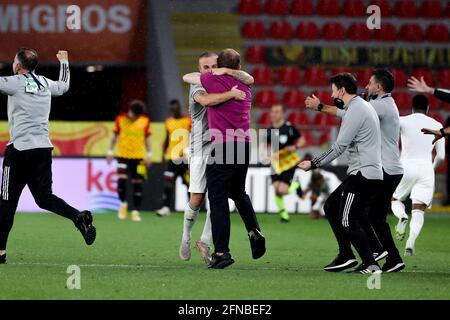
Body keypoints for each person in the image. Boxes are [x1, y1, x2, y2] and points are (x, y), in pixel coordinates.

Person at [0, 48, 96, 264]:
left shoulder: (15, 82)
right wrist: (64, 62)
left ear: (17, 66)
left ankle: (1, 253)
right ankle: (77, 216)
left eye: (14, 61)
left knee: (6, 202)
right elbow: (64, 86)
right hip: (43, 149)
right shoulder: (45, 83)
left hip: (19, 151)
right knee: (44, 198)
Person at [305, 69, 405, 272]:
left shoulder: (375, 106)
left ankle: (371, 255)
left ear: (379, 86)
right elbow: (348, 113)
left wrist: (321, 107)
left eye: (370, 83)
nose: (366, 87)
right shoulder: (380, 105)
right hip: (382, 167)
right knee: (362, 213)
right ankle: (384, 255)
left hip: (377, 168)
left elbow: (346, 116)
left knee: (353, 214)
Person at [180, 52, 254, 263]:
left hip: (220, 145)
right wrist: (231, 94)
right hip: (199, 147)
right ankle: (186, 236)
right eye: (206, 67)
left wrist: (229, 73)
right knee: (197, 198)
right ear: (200, 68)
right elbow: (207, 101)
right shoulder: (200, 86)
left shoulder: (222, 79)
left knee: (219, 196)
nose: (210, 70)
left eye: (214, 66)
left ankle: (205, 240)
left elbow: (249, 79)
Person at [201, 49, 266, 269]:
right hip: (244, 145)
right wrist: (230, 70)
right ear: (239, 66)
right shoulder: (245, 85)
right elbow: (248, 77)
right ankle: (254, 231)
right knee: (238, 192)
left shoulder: (210, 79)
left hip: (223, 146)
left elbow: (189, 77)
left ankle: (221, 252)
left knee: (217, 198)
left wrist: (219, 71)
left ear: (218, 65)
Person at [391, 94, 445, 256]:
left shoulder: (403, 120)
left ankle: (401, 217)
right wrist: (432, 169)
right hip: (426, 169)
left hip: (406, 166)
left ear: (412, 107)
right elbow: (441, 156)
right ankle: (411, 242)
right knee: (418, 210)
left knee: (395, 199)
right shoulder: (437, 124)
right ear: (428, 108)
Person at [107, 100, 152, 222]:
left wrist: (149, 154)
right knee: (121, 181)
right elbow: (114, 136)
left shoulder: (145, 121)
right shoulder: (120, 119)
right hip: (122, 155)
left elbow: (147, 139)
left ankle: (136, 211)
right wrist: (110, 151)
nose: (134, 117)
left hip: (138, 157)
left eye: (137, 116)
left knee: (138, 184)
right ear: (130, 110)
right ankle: (123, 204)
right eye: (133, 114)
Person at [265, 104, 305, 223]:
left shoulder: (289, 128)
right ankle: (284, 215)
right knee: (276, 189)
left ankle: (296, 186)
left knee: (282, 190)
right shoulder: (269, 130)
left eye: (277, 112)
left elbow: (302, 140)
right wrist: (265, 155)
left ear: (282, 114)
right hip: (275, 163)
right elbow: (263, 144)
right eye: (272, 111)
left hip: (288, 162)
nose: (273, 114)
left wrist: (295, 146)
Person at [156, 100, 191, 217]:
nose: (173, 111)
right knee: (168, 183)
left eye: (175, 109)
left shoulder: (188, 120)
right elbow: (167, 138)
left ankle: (191, 208)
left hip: (185, 158)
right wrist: (162, 155)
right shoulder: (168, 121)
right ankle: (166, 207)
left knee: (188, 184)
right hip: (172, 158)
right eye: (171, 109)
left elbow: (195, 136)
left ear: (179, 108)